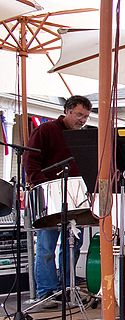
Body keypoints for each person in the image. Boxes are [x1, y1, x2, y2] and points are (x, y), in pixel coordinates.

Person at [23, 95, 92, 308]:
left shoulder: (83, 137)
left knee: (73, 245)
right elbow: (30, 160)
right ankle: (46, 291)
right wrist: (41, 185)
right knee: (46, 246)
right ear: (67, 111)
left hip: (75, 196)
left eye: (86, 116)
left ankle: (67, 288)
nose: (83, 120)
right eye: (79, 115)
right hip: (50, 196)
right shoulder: (45, 131)